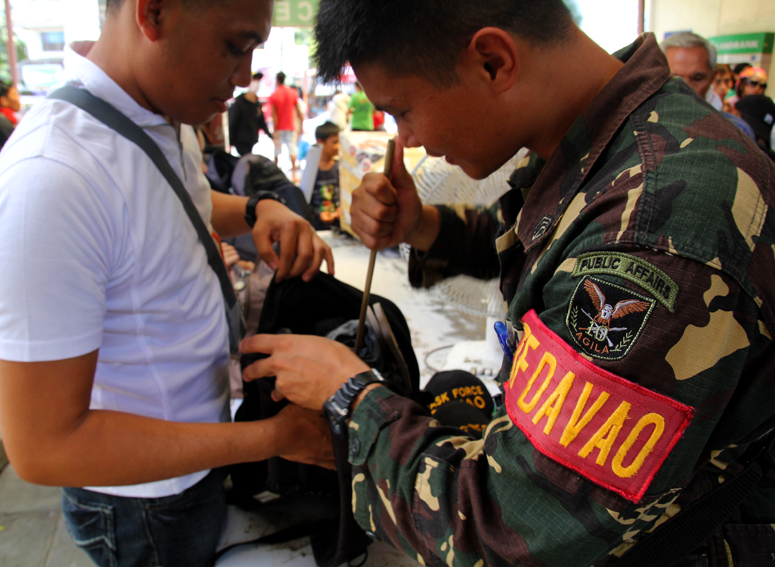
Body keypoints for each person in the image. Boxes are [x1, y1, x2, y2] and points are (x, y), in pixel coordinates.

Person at [241, 0, 775, 565]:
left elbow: (511, 532)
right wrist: (421, 226)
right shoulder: (618, 142)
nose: (410, 139)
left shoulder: (656, 229)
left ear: (494, 62)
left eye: (403, 111)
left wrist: (350, 398)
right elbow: (555, 239)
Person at [0, 1, 336, 566]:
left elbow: (166, 199)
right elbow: (44, 448)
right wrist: (273, 439)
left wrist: (257, 209)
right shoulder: (49, 183)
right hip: (143, 505)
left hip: (195, 456)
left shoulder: (159, 108)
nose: (243, 80)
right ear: (154, 14)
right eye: (235, 48)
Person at [661, 32, 755, 139]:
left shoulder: (738, 132)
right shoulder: (642, 128)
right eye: (674, 78)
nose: (685, 87)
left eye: (697, 78)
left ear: (712, 77)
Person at [228, 71, 272, 157]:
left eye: (258, 81)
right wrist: (230, 142)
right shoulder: (239, 103)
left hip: (252, 140)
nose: (256, 84)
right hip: (241, 141)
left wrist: (271, 136)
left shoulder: (257, 103)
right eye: (254, 80)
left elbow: (261, 122)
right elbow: (232, 122)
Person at [269, 71, 304, 179]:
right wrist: (301, 126)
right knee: (292, 150)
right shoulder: (292, 93)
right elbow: (299, 111)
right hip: (291, 127)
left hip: (279, 127)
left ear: (277, 80)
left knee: (276, 152)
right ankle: (294, 175)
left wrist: (274, 130)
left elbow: (274, 115)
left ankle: (274, 175)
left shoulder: (274, 94)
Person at [309, 120, 341, 230]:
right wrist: (319, 213)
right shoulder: (311, 170)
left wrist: (342, 208)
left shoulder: (340, 167)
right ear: (320, 142)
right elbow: (306, 201)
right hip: (318, 226)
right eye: (334, 142)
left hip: (338, 223)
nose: (338, 146)